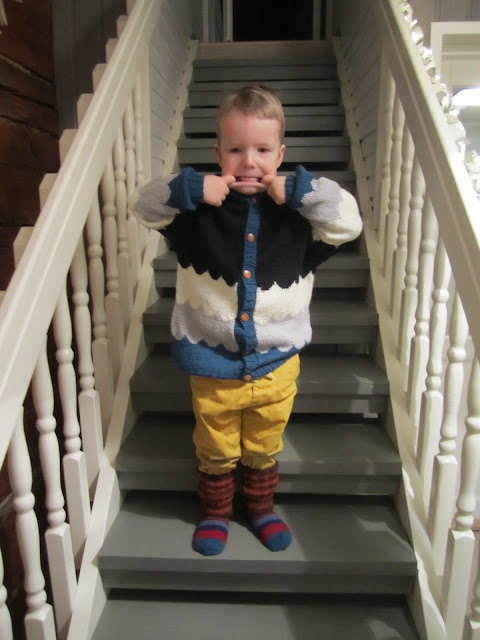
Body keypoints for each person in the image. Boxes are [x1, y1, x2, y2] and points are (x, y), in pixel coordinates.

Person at [129, 84, 363, 556]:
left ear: (280, 155)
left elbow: (348, 223)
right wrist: (192, 188)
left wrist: (299, 190)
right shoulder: (196, 217)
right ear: (219, 154)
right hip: (212, 363)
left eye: (262, 150)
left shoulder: (299, 220)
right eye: (236, 150)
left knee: (263, 445)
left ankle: (260, 508)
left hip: (277, 364)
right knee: (215, 447)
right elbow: (144, 204)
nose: (249, 161)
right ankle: (216, 512)